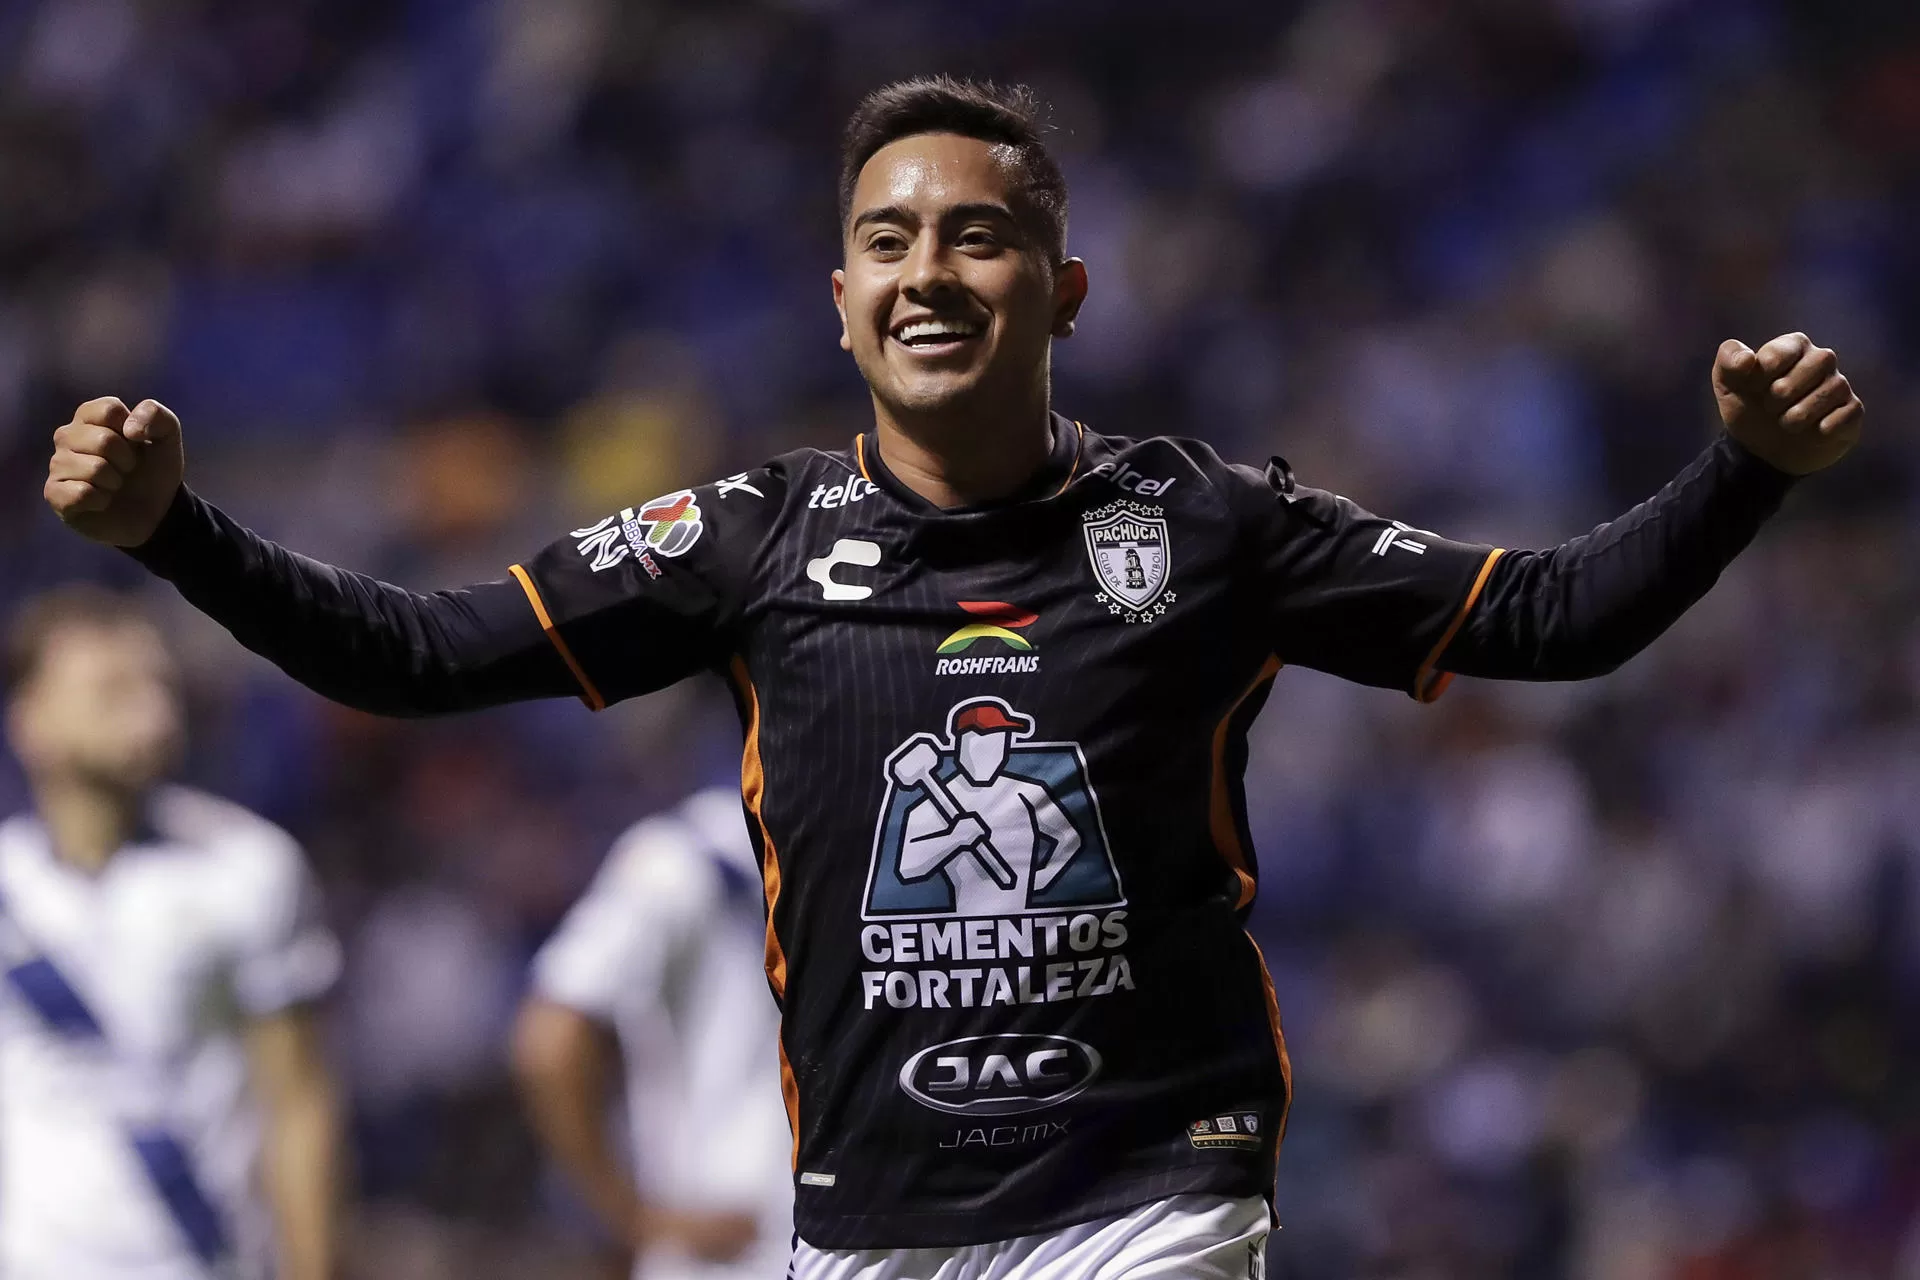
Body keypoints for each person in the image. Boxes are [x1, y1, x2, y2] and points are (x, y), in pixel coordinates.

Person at [41, 74, 1863, 1279]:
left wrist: (1741, 475)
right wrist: (177, 534)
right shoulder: (747, 539)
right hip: (861, 1234)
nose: (932, 271)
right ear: (839, 300)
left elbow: (1548, 616)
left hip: (1150, 1206)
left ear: (1063, 289)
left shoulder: (1202, 519)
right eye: (891, 242)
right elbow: (423, 656)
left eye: (978, 234)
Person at [0, 587, 342, 1280]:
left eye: (160, 684)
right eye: (113, 690)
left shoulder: (247, 865)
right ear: (29, 720)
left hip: (202, 1264)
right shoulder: (8, 879)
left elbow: (299, 1103)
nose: (155, 712)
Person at [511, 788, 791, 1280]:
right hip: (745, 1246)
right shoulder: (688, 860)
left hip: (747, 1242)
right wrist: (633, 1217)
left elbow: (548, 1039)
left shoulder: (681, 856)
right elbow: (549, 1041)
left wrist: (632, 1218)